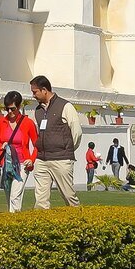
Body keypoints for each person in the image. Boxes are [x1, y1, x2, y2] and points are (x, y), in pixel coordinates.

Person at [29, 75, 83, 208]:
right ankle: (41, 225)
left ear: (44, 90)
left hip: (61, 158)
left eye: (35, 92)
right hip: (42, 159)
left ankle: (80, 221)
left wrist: (66, 149)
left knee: (68, 196)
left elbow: (76, 132)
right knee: (40, 200)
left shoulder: (65, 106)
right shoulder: (38, 110)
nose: (33, 95)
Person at [0, 91, 38, 212]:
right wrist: (2, 146)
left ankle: (14, 221)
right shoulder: (2, 122)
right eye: (7, 109)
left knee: (15, 196)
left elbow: (37, 145)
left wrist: (31, 160)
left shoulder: (28, 123)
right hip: (6, 165)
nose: (10, 112)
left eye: (12, 109)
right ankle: (13, 219)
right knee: (8, 196)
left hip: (22, 164)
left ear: (19, 107)